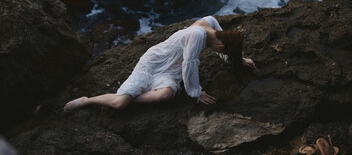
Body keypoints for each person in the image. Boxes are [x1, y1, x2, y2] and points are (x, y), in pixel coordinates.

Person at [64, 16, 257, 112]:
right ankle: (87, 100)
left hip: (171, 70)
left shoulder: (211, 23)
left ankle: (129, 97)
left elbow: (223, 51)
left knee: (166, 95)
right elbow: (189, 65)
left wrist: (239, 60)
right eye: (222, 51)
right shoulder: (197, 35)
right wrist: (197, 93)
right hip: (154, 62)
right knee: (119, 103)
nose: (219, 52)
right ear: (221, 45)